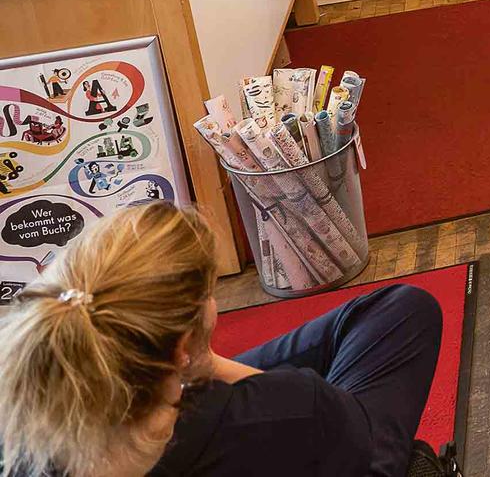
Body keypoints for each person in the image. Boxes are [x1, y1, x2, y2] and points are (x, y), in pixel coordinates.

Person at [0, 203, 441, 477]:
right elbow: (355, 441)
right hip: (345, 450)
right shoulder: (289, 409)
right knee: (404, 312)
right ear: (180, 348)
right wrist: (209, 366)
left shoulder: (19, 433)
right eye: (210, 294)